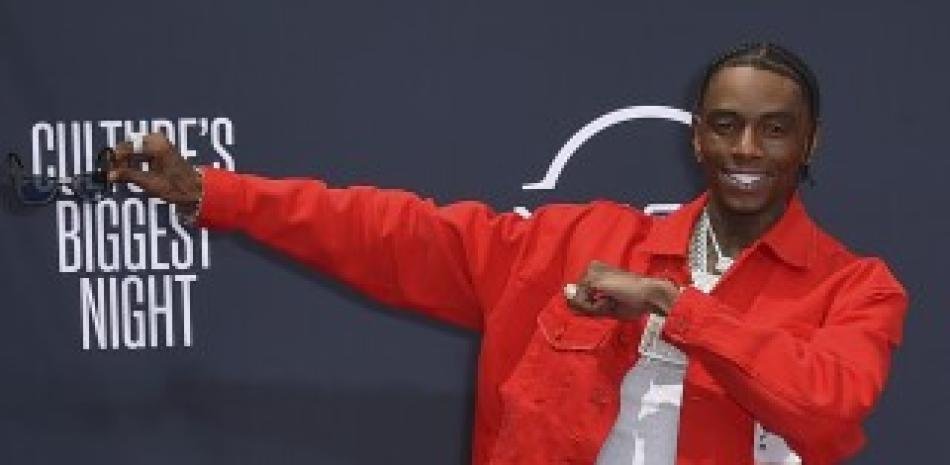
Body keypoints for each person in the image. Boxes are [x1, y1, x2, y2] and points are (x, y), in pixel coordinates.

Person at [107, 43, 907, 465]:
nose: (747, 148)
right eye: (726, 125)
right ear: (696, 136)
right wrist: (211, 191)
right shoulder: (576, 242)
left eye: (775, 128)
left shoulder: (857, 287)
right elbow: (390, 232)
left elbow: (826, 405)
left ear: (810, 142)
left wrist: (671, 303)